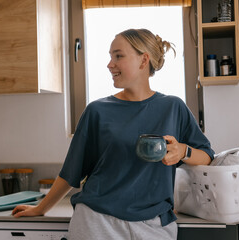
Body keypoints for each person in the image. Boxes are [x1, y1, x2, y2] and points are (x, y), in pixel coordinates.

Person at [12, 28, 214, 240]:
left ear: (143, 60)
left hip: (154, 226)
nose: (110, 64)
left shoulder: (173, 107)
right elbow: (72, 171)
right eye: (110, 56)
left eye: (118, 56)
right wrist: (41, 208)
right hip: (96, 222)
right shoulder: (97, 110)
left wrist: (183, 151)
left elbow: (207, 156)